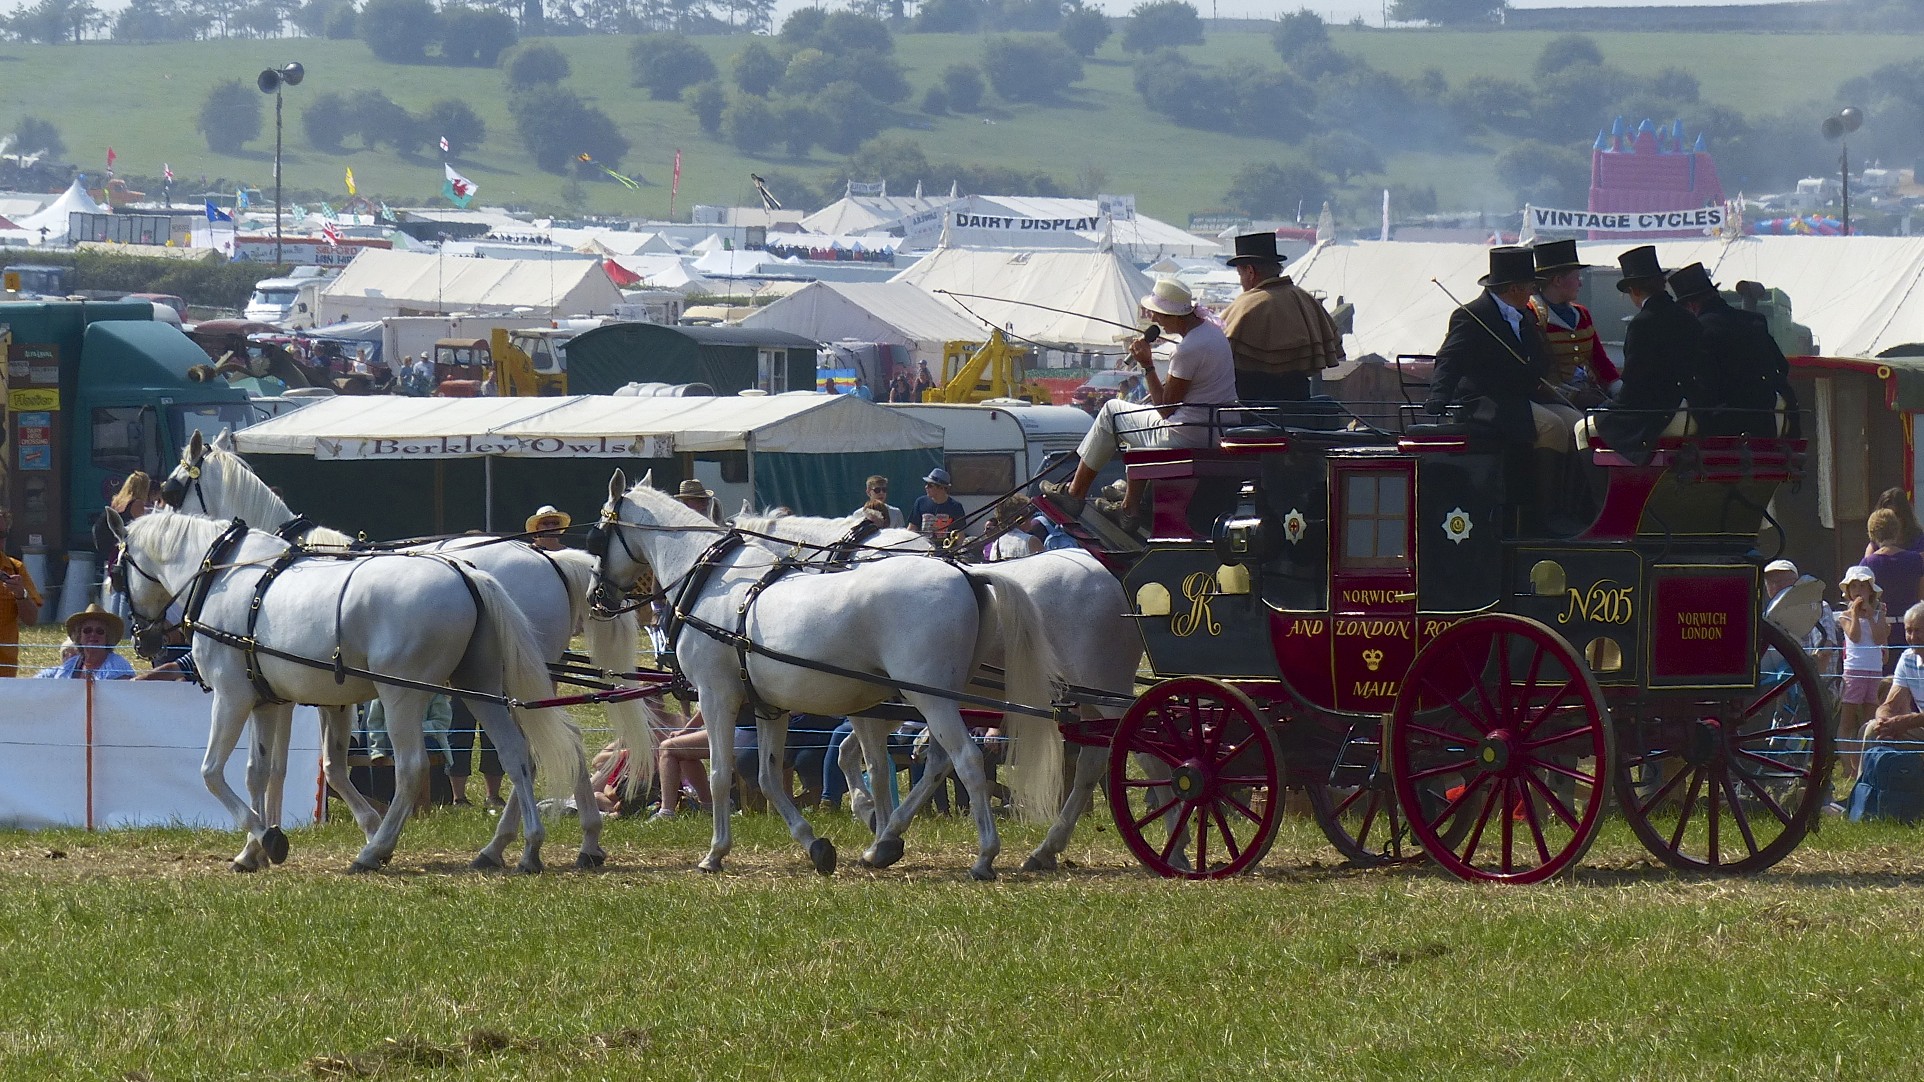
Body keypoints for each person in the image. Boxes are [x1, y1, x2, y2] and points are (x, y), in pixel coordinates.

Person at [1043, 278, 1236, 520]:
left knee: (1113, 412)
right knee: (1133, 420)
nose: (1155, 320)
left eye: (1160, 316)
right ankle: (1129, 508)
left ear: (1176, 317)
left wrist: (1147, 366)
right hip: (1216, 427)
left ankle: (1074, 493)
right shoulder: (1213, 333)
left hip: (1188, 433)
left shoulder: (1187, 349)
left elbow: (1166, 410)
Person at [1427, 246, 1581, 525]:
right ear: (1514, 288)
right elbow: (1449, 358)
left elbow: (1535, 359)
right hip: (1486, 400)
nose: (1534, 291)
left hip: (1522, 395)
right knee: (1552, 427)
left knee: (1576, 423)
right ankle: (1540, 514)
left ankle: (1568, 507)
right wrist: (1438, 396)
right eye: (1530, 286)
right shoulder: (1472, 315)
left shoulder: (1525, 316)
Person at [1577, 246, 1698, 461]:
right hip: (1693, 410)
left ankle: (1599, 495)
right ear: (1662, 284)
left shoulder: (1642, 324)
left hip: (1661, 413)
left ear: (1634, 290)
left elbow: (1634, 384)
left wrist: (1606, 406)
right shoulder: (1688, 317)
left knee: (1582, 429)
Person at [1666, 261, 1799, 438]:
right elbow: (1782, 366)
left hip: (1721, 426)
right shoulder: (1755, 321)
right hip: (1765, 421)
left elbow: (1702, 384)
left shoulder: (1698, 330)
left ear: (1691, 306)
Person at [1219, 231, 1344, 402]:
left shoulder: (1248, 305)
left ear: (1250, 271)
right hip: (1299, 405)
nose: (1241, 282)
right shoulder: (1305, 299)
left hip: (1255, 411)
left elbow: (1218, 350)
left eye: (1240, 274)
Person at [1528, 238, 1620, 407]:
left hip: (1590, 392)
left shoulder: (1581, 313)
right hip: (1554, 399)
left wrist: (1618, 389)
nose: (1580, 283)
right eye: (1576, 277)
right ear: (1557, 280)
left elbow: (1600, 361)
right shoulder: (1531, 314)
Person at [1837, 564, 1889, 780]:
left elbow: (1879, 638)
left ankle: (1863, 764)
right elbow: (1855, 636)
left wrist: (1872, 616)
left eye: (1863, 586)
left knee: (1869, 720)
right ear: (1848, 591)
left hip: (1874, 670)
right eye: (1854, 586)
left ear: (1871, 591)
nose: (1858, 591)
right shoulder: (1844, 615)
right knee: (1848, 721)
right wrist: (1856, 615)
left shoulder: (1878, 614)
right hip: (1854, 671)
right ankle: (1847, 766)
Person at [1863, 508, 1924, 671]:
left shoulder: (1868, 564)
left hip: (1881, 631)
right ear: (1897, 531)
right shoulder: (1916, 560)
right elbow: (1921, 597)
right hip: (1911, 630)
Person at [1863, 602, 1924, 749]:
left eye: (1918, 631)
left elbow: (1904, 721)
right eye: (1908, 631)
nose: (1913, 636)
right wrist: (1883, 721)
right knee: (1871, 729)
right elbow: (1890, 704)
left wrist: (1903, 722)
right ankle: (1868, 773)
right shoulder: (1907, 659)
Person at [35, 605, 136, 680]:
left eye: (99, 631)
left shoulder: (117, 665)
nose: (93, 634)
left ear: (107, 637)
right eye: (87, 630)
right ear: (79, 636)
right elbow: (52, 675)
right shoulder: (72, 663)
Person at [0, 508, 44, 678]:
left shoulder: (14, 569)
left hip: (4, 673)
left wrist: (21, 594)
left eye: (2, 535)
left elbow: (31, 620)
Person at [1863, 487, 1924, 558]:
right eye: (1886, 515)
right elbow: (1865, 567)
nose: (1889, 519)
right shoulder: (1875, 546)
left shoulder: (1919, 542)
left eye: (1895, 515)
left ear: (1904, 515)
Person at [912, 468, 967, 541]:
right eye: (926, 484)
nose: (926, 487)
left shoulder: (956, 507)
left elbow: (960, 534)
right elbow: (912, 528)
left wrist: (960, 551)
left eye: (930, 485)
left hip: (946, 550)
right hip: (924, 549)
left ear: (942, 488)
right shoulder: (920, 502)